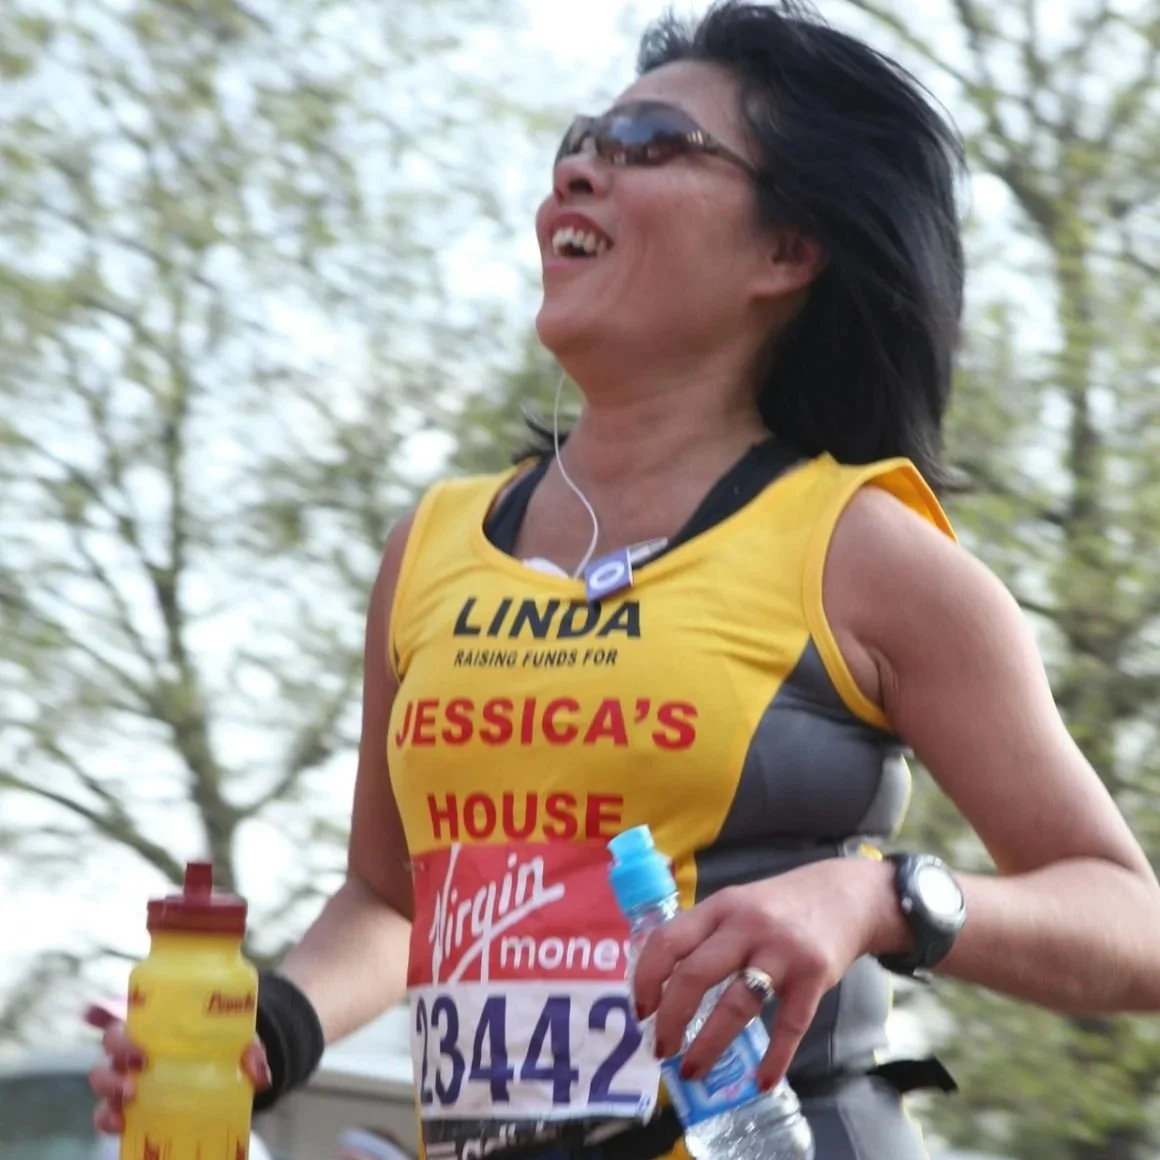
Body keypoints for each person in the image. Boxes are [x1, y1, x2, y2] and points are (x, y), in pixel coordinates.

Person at [91, 1, 1160, 1158]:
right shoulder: (431, 545)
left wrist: (876, 898)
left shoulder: (863, 548)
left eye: (650, 142)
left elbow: (1128, 920)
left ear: (785, 252)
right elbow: (396, 896)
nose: (582, 174)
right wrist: (269, 1032)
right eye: (580, 142)